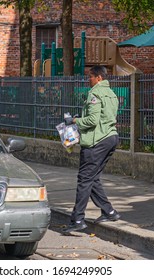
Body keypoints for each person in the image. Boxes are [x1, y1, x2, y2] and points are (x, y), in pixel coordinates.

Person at [62, 65, 120, 233]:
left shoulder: (94, 93)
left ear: (99, 78)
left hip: (97, 141)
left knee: (84, 179)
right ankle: (109, 211)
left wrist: (75, 121)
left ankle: (78, 219)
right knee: (92, 178)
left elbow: (93, 120)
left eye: (91, 76)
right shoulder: (112, 94)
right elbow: (104, 117)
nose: (89, 80)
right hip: (111, 137)